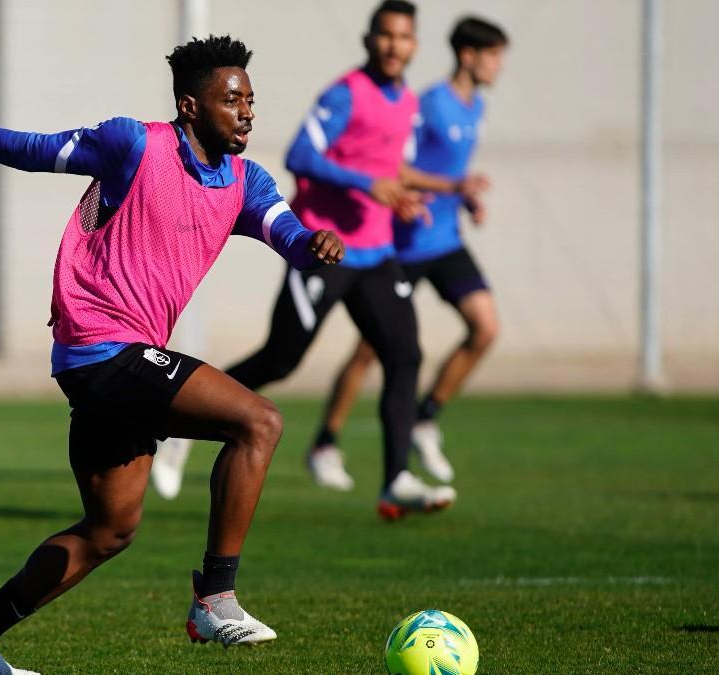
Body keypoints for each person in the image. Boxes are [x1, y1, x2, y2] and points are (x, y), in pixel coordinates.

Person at [0, 35, 344, 674]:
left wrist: (312, 243)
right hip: (102, 348)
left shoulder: (245, 181)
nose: (248, 112)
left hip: (114, 366)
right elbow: (31, 149)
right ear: (190, 106)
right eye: (233, 100)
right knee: (260, 422)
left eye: (252, 100)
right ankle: (216, 596)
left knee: (110, 530)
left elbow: (284, 233)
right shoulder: (134, 145)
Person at [151, 1, 484, 520]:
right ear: (370, 39)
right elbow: (301, 156)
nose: (396, 45)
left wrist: (427, 191)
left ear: (416, 45)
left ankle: (396, 478)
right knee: (281, 359)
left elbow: (389, 166)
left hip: (376, 253)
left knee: (404, 354)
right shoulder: (345, 93)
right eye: (387, 35)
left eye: (405, 37)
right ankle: (177, 427)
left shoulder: (404, 104)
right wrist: (365, 183)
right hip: (325, 251)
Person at [310, 16, 509, 487]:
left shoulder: (475, 106)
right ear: (468, 55)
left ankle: (426, 416)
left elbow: (448, 172)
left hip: (445, 241)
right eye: (494, 55)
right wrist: (433, 190)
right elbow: (395, 167)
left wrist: (465, 198)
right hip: (403, 242)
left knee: (485, 327)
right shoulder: (430, 106)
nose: (500, 66)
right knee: (372, 351)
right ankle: (326, 442)